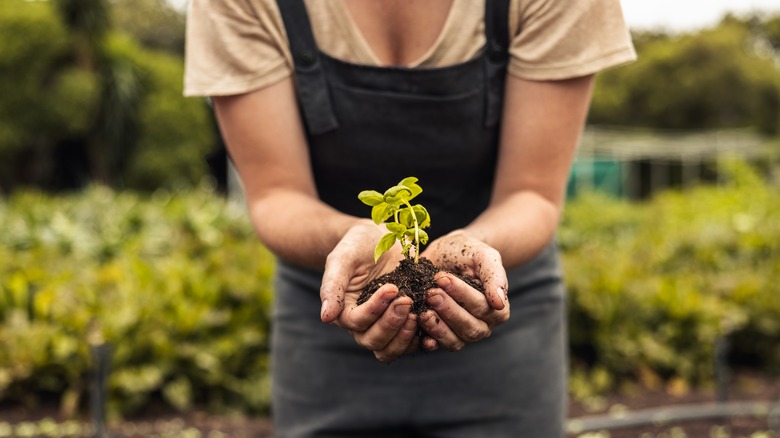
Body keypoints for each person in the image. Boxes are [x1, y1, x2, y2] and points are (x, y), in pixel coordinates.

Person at [185, 0, 636, 436]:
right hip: (333, 309)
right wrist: (352, 236)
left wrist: (473, 246)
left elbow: (532, 192)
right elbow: (277, 194)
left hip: (500, 305)